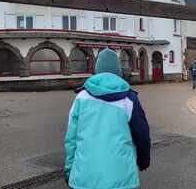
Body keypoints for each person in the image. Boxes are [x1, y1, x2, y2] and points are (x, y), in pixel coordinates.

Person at [64, 48, 151, 189]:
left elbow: (71, 139)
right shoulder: (129, 99)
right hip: (121, 177)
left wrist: (69, 170)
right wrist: (143, 161)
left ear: (97, 70)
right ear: (118, 71)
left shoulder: (81, 97)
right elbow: (142, 135)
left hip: (84, 177)